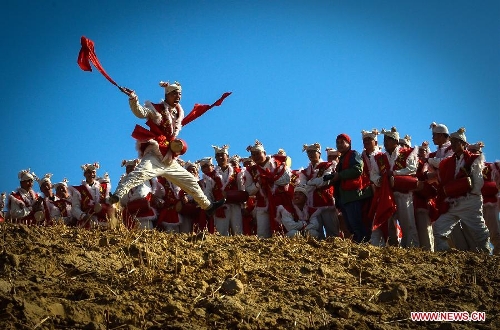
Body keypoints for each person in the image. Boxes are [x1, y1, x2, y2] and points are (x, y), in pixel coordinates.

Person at [109, 81, 225, 217]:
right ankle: (117, 196)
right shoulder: (156, 109)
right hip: (155, 154)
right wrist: (133, 98)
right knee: (139, 174)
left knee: (190, 181)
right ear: (167, 95)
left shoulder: (178, 113)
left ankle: (208, 206)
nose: (178, 96)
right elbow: (140, 113)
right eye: (174, 93)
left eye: (180, 94)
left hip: (169, 159)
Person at [432, 128, 490, 253]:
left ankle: (486, 254)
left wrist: (466, 192)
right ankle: (444, 251)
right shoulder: (448, 162)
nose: (453, 145)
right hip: (453, 203)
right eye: (452, 142)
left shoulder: (474, 159)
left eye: (456, 142)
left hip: (470, 201)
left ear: (464, 144)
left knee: (479, 230)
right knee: (438, 227)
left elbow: (478, 182)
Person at [370, 127, 420, 248]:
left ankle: (412, 249)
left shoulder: (407, 153)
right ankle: (390, 248)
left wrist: (394, 174)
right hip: (386, 194)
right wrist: (379, 180)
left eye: (389, 139)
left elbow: (412, 169)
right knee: (386, 222)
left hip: (403, 194)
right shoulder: (379, 158)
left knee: (407, 223)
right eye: (385, 139)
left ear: (396, 142)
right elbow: (373, 174)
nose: (386, 142)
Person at [324, 134, 372, 243]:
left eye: (342, 142)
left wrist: (339, 175)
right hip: (344, 197)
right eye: (338, 143)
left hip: (353, 195)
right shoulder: (342, 159)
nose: (339, 145)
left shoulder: (353, 154)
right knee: (350, 226)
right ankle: (359, 244)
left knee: (357, 224)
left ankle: (363, 245)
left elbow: (357, 169)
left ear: (349, 144)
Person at [244, 140, 292, 238]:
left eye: (258, 154)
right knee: (262, 234)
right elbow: (248, 191)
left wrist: (270, 179)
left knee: (283, 230)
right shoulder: (250, 171)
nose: (256, 157)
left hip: (280, 202)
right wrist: (259, 184)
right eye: (253, 155)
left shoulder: (278, 163)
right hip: (262, 204)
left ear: (264, 153)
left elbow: (287, 179)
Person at [298, 142, 339, 239]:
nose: (311, 155)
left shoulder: (328, 165)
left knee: (333, 232)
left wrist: (310, 183)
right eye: (309, 153)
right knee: (317, 233)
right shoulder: (305, 171)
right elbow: (303, 187)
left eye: (313, 152)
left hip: (327, 202)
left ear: (319, 153)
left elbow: (325, 181)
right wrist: (315, 183)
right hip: (312, 206)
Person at [468, 142, 500, 254]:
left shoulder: (491, 167)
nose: (473, 155)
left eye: (475, 152)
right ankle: (481, 255)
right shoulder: (466, 169)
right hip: (473, 206)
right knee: (476, 232)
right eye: (471, 152)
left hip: (489, 204)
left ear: (480, 153)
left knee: (494, 230)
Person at [211, 145, 245, 236]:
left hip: (235, 206)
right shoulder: (212, 175)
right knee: (221, 232)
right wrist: (211, 206)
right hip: (220, 207)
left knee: (238, 231)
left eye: (222, 155)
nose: (220, 157)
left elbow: (241, 189)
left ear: (228, 157)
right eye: (218, 156)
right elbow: (209, 192)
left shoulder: (237, 172)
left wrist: (243, 206)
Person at [71, 163, 115, 229]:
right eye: (89, 172)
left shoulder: (103, 187)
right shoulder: (78, 190)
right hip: (88, 218)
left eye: (93, 172)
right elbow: (75, 208)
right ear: (84, 174)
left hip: (103, 216)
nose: (91, 174)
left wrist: (112, 200)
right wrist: (83, 216)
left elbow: (106, 200)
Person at [119, 159, 160, 230]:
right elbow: (122, 199)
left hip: (143, 211)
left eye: (131, 168)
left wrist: (130, 200)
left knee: (146, 232)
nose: (129, 170)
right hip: (131, 213)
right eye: (127, 168)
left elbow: (142, 193)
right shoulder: (124, 181)